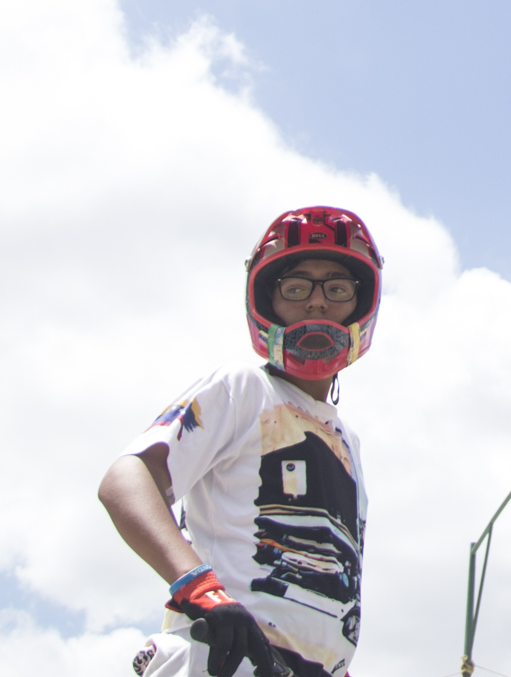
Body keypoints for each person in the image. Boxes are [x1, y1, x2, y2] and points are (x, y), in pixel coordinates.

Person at [98, 207, 383, 677]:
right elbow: (126, 478)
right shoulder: (243, 390)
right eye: (296, 289)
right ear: (267, 301)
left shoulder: (346, 440)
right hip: (222, 659)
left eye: (337, 289)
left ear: (361, 303)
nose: (317, 304)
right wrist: (197, 585)